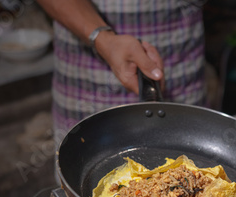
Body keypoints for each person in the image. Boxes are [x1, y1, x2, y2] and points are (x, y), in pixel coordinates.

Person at [36, 0, 207, 149]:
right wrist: (103, 39)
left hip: (181, 76)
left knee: (196, 170)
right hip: (88, 82)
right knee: (79, 167)